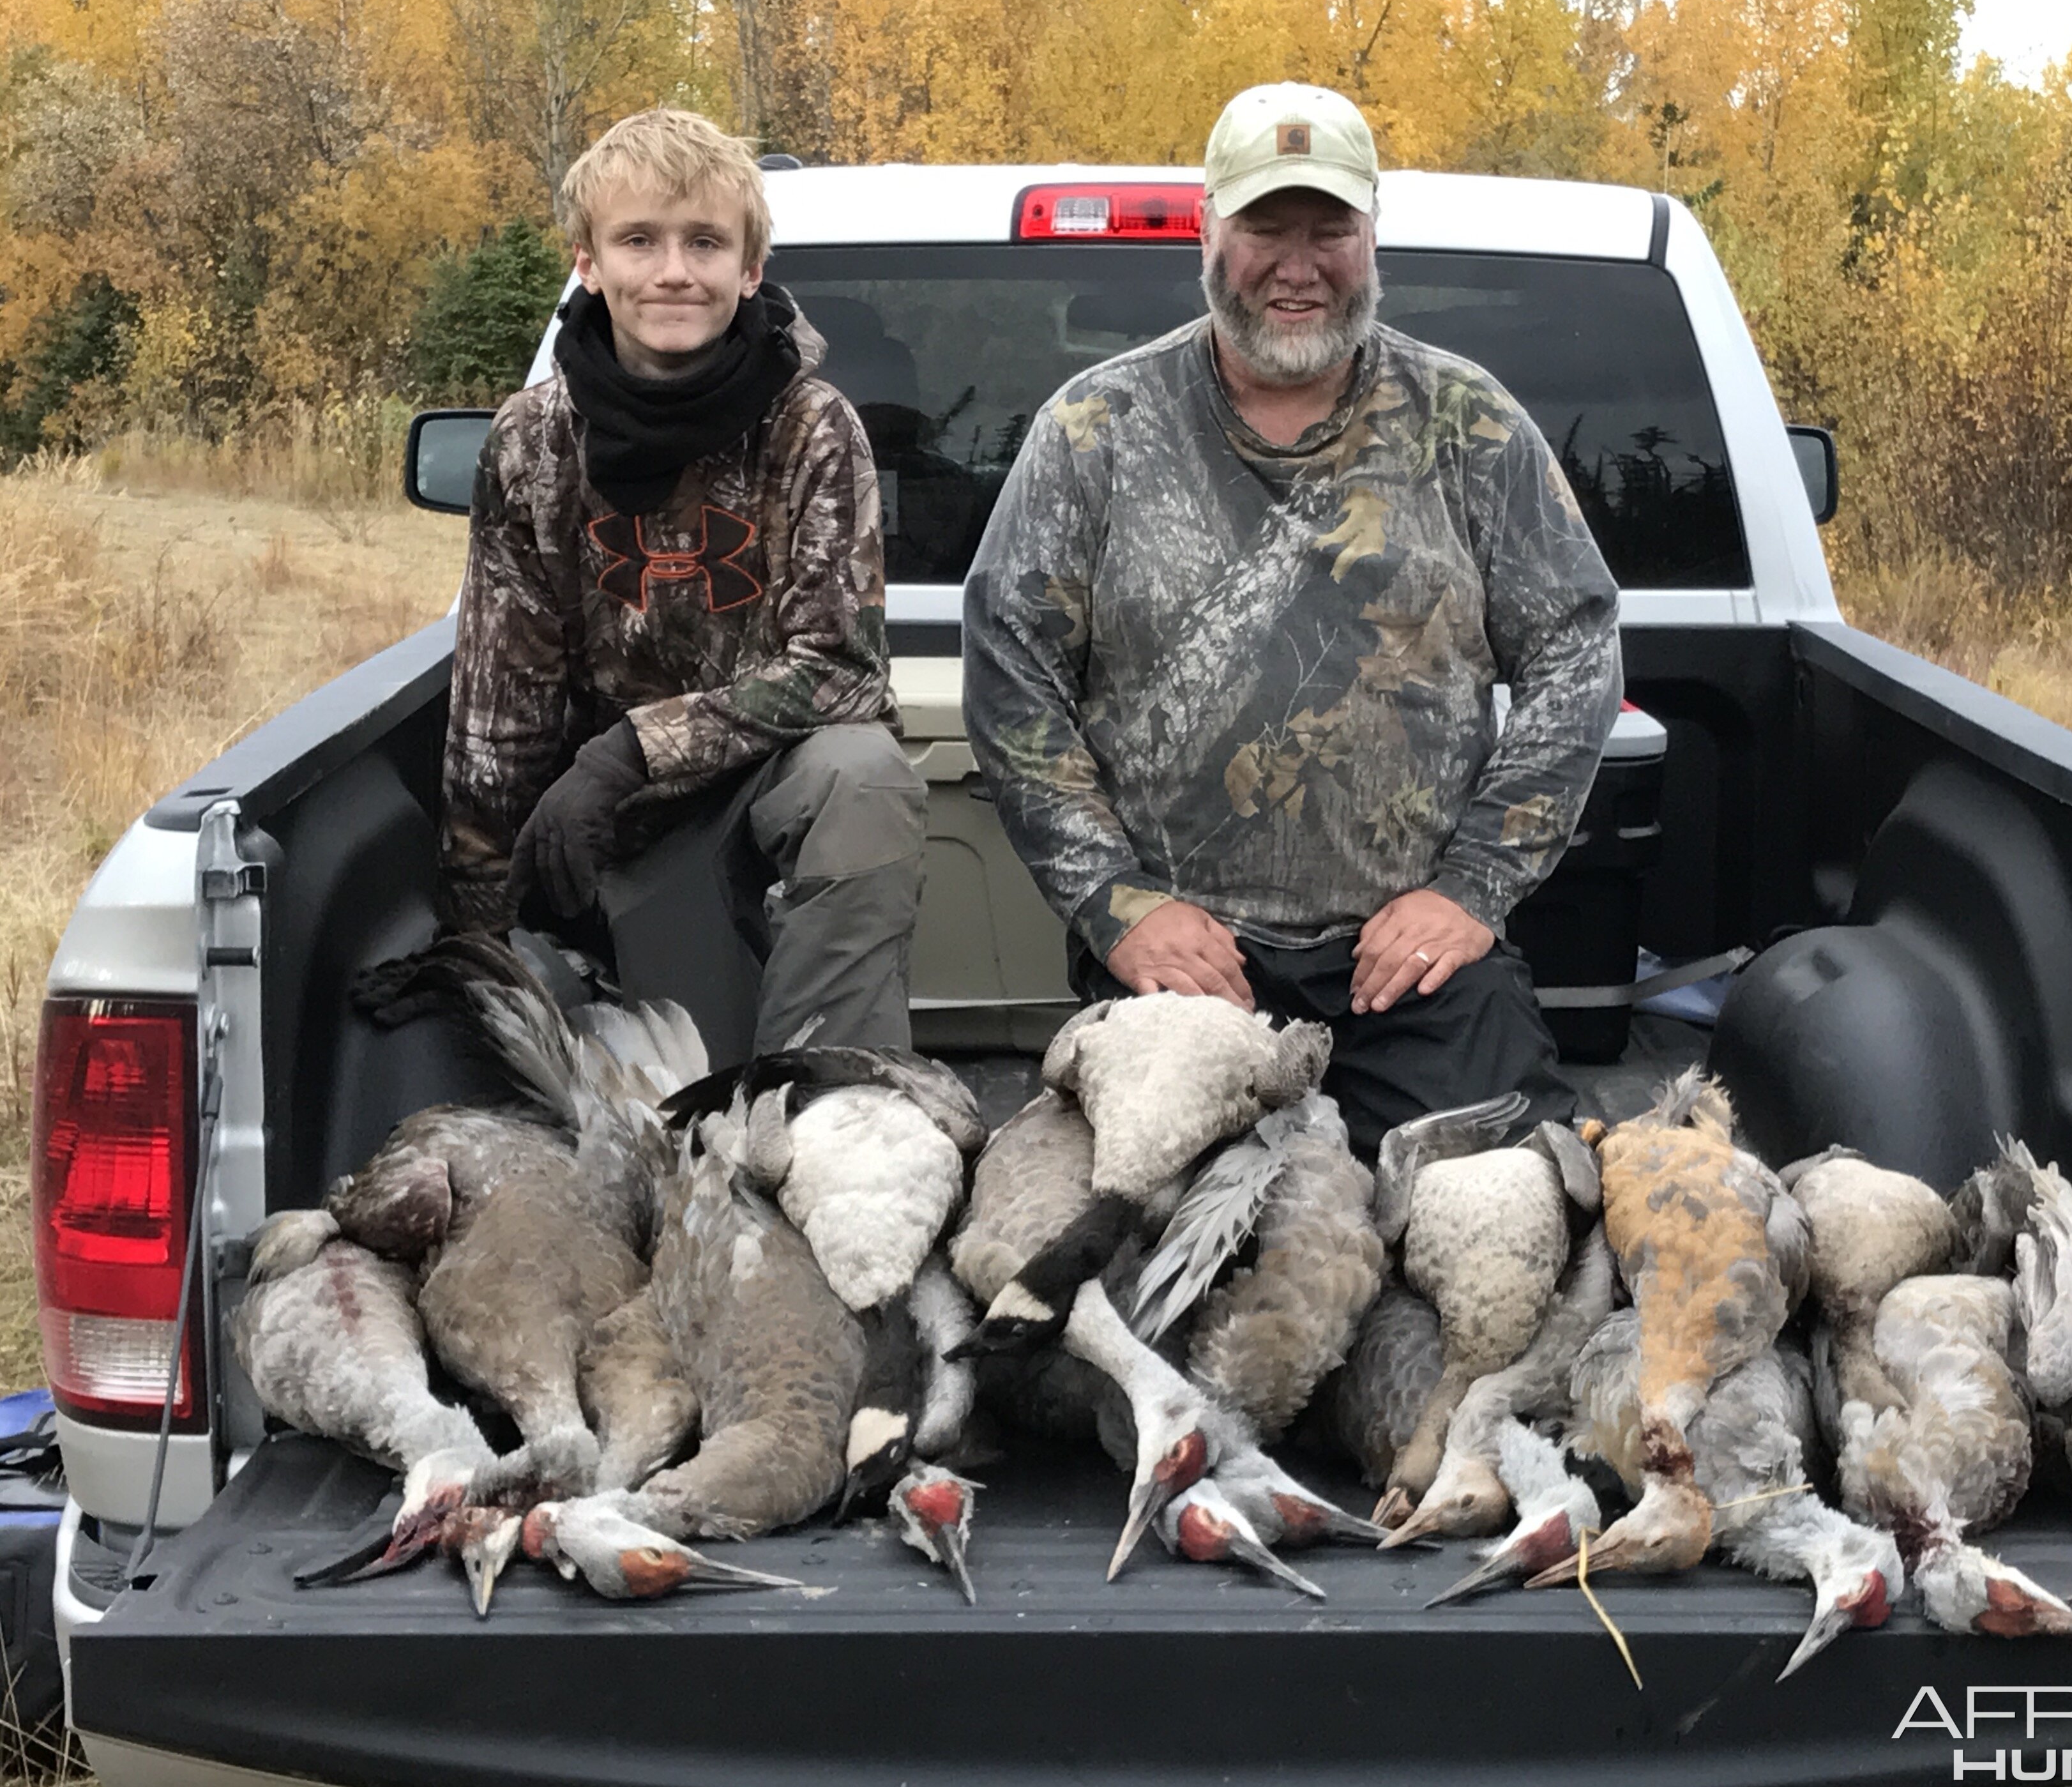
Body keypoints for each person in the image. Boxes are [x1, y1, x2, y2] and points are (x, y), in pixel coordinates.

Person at [962, 82, 1622, 1152]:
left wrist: (1471, 889)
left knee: (1503, 1219)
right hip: (1182, 964)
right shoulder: (1094, 431)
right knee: (1165, 1253)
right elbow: (1012, 680)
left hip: (1415, 965)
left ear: (1373, 239)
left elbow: (1575, 648)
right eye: (1267, 226)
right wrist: (1117, 905)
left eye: (1330, 230)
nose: (1297, 262)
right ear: (1208, 231)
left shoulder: (1469, 422)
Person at [437, 107, 924, 1051]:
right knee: (644, 1089)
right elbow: (500, 707)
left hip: (758, 805)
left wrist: (630, 753)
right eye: (639, 241)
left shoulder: (810, 426)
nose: (673, 271)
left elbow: (841, 668)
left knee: (860, 771)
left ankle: (829, 1104)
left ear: (748, 271)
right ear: (588, 261)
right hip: (603, 837)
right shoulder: (533, 440)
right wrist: (474, 935)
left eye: (704, 242)